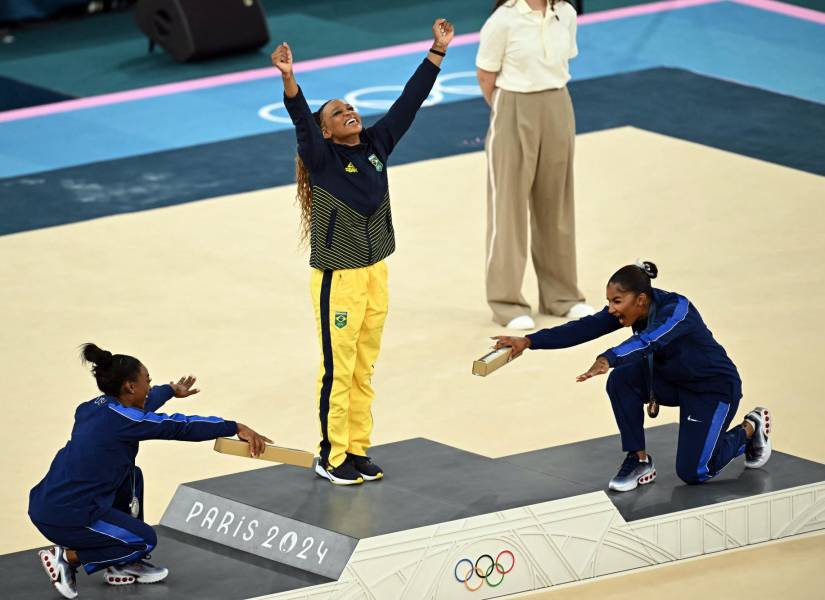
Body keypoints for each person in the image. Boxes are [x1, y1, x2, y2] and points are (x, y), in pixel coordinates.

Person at [270, 18, 455, 486]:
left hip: (376, 272)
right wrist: (291, 82)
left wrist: (437, 51)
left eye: (351, 107)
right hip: (339, 278)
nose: (349, 112)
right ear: (326, 132)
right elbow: (300, 122)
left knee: (365, 364)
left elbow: (408, 103)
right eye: (337, 113)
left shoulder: (376, 144)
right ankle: (331, 456)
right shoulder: (322, 160)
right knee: (339, 367)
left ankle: (357, 448)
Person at [493, 262, 772, 491]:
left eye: (617, 301)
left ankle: (751, 428)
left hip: (711, 389)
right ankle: (639, 461)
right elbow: (583, 328)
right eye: (609, 302)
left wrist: (608, 358)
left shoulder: (677, 310)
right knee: (621, 380)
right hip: (669, 381)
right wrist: (528, 341)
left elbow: (649, 341)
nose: (612, 309)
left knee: (695, 472)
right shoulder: (628, 310)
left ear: (640, 299)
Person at [28, 344, 271, 599]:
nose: (149, 387)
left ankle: (120, 562)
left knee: (133, 475)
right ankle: (67, 558)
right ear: (130, 387)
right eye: (147, 381)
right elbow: (178, 426)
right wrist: (234, 426)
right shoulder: (124, 421)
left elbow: (140, 407)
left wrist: (170, 390)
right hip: (68, 515)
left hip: (47, 501)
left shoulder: (91, 408)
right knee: (143, 541)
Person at [476, 0, 594, 330]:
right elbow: (486, 75)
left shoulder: (566, 14)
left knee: (556, 204)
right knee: (509, 209)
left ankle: (562, 297)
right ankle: (506, 302)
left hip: (557, 102)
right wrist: (508, 111)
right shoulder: (503, 20)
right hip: (513, 105)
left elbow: (562, 60)